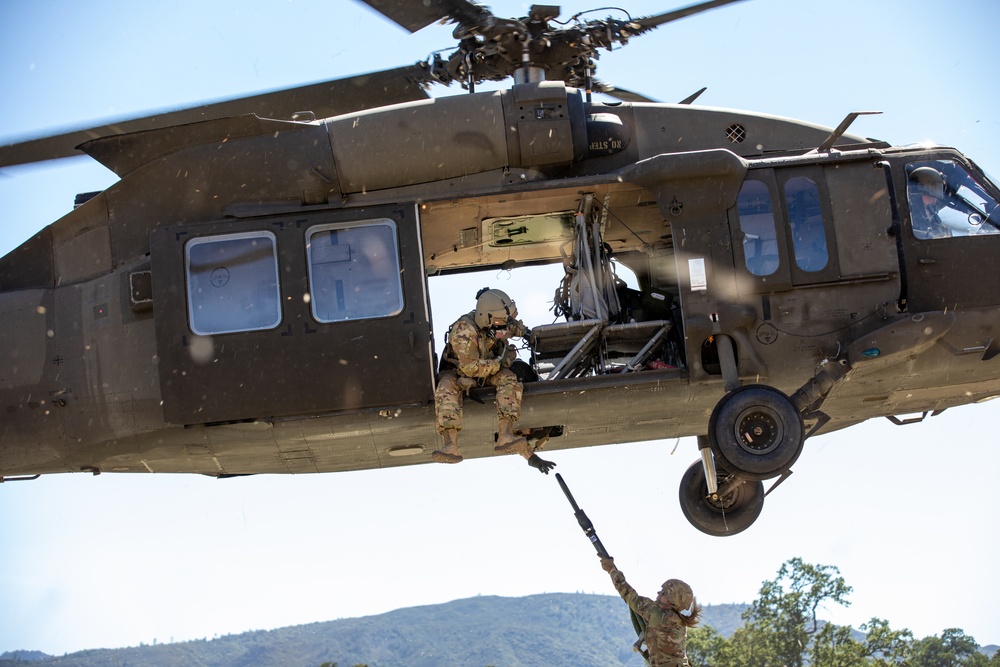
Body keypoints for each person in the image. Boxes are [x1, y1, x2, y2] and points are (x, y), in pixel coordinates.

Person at [432, 287, 556, 474]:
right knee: (446, 389)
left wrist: (526, 333)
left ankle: (505, 434)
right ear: (487, 319)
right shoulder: (464, 331)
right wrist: (500, 362)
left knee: (509, 380)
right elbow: (469, 368)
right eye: (500, 327)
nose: (503, 331)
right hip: (459, 372)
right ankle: (450, 445)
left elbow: (512, 327)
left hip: (487, 369)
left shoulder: (498, 325)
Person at [600, 556, 701, 666]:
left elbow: (631, 597)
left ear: (670, 599)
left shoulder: (659, 616)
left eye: (663, 591)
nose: (658, 593)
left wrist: (611, 570)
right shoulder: (678, 621)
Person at [908, 166, 952, 239]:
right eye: (932, 195)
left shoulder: (931, 215)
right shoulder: (909, 213)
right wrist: (930, 236)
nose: (935, 199)